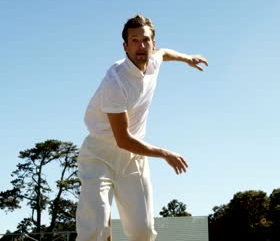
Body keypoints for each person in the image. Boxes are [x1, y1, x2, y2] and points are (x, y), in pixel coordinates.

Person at [75, 14, 208, 241]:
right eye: (134, 41)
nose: (141, 46)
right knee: (95, 228)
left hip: (133, 159)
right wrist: (165, 153)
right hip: (99, 157)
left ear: (152, 43)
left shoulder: (153, 62)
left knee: (143, 232)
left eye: (145, 40)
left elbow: (164, 53)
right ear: (125, 47)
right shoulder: (115, 82)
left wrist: (187, 58)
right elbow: (123, 139)